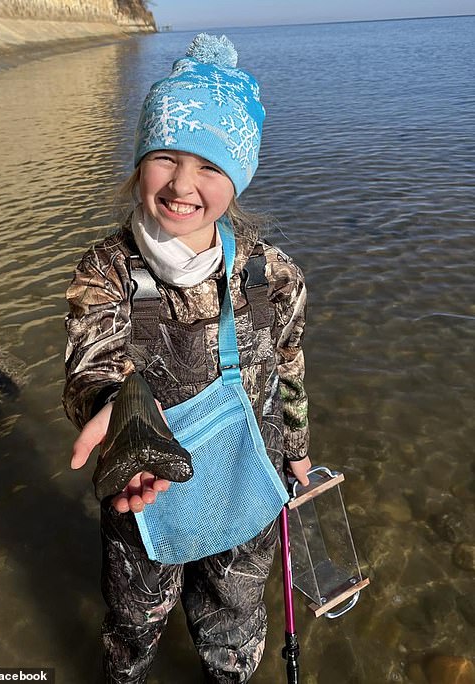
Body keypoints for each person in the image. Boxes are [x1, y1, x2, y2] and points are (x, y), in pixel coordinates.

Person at [63, 33, 311, 683]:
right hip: (140, 492)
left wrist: (300, 452)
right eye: (165, 157)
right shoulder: (108, 271)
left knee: (232, 623)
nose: (182, 185)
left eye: (208, 166)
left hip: (245, 490)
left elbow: (287, 362)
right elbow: (93, 364)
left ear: (240, 174)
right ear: (140, 158)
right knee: (133, 626)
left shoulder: (270, 276)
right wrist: (116, 411)